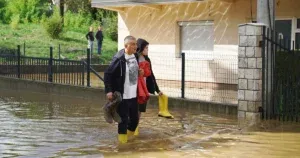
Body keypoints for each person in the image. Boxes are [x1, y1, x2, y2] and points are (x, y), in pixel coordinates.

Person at [104, 35, 143, 144]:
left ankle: (129, 139)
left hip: (133, 95)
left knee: (135, 120)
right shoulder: (119, 59)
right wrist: (109, 90)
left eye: (136, 44)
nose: (136, 46)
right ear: (126, 46)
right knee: (123, 120)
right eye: (133, 44)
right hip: (123, 96)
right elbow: (107, 74)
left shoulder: (135, 55)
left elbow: (132, 70)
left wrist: (139, 72)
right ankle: (122, 145)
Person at [134, 38, 173, 135]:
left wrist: (157, 90)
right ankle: (131, 128)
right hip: (134, 89)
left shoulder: (147, 59)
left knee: (140, 110)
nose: (147, 50)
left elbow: (151, 75)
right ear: (141, 48)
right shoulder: (133, 58)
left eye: (148, 48)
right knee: (133, 109)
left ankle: (135, 128)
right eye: (146, 48)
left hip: (143, 89)